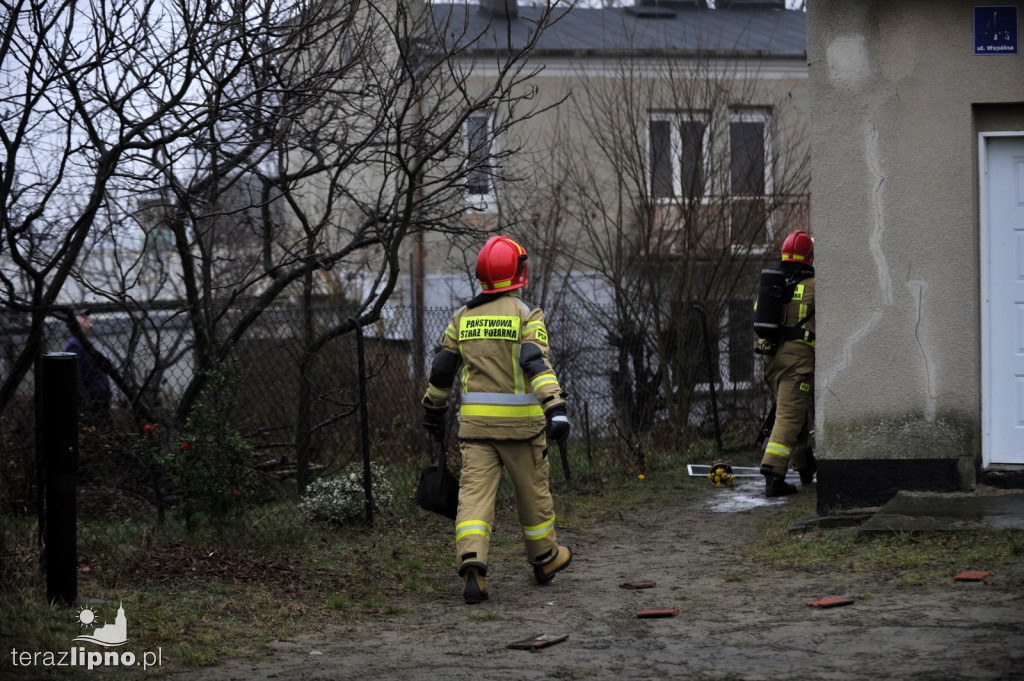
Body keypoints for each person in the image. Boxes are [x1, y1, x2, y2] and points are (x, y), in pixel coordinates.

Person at [421, 235, 572, 604]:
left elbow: (442, 370)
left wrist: (433, 410)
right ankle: (545, 559)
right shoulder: (526, 315)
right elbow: (536, 364)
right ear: (518, 272)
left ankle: (473, 565)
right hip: (522, 430)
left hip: (476, 431)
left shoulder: (463, 317)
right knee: (533, 496)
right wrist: (555, 407)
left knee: (473, 500)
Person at [757, 230, 816, 498]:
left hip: (770, 361)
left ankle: (806, 469)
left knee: (794, 414)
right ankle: (773, 475)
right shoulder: (815, 286)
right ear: (810, 257)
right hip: (797, 364)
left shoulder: (774, 287)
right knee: (789, 417)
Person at [64, 309, 112, 422]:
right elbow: (76, 377)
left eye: (87, 315)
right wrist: (85, 402)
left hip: (99, 401)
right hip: (92, 404)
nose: (87, 317)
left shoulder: (83, 344)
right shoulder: (74, 346)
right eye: (82, 316)